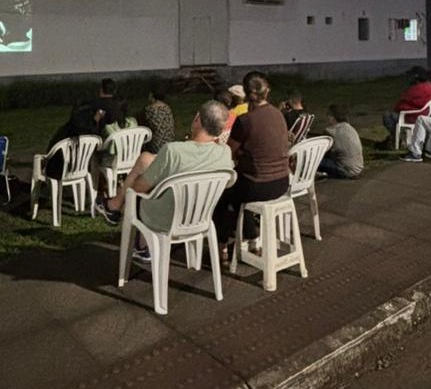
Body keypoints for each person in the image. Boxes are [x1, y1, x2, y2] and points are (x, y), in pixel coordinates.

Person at [99, 100, 234, 261]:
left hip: (165, 219)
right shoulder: (225, 153)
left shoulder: (173, 151)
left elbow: (139, 188)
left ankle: (143, 244)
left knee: (136, 193)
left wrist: (135, 184)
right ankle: (115, 207)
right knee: (145, 161)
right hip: (200, 217)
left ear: (197, 119)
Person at [215, 71, 290, 264]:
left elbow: (228, 151)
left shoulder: (245, 120)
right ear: (268, 91)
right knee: (241, 192)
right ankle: (252, 236)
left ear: (246, 95)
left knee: (222, 195)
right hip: (282, 182)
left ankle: (221, 245)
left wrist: (240, 154)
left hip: (258, 184)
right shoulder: (278, 114)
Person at [381, 66, 431, 146]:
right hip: (425, 114)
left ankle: (397, 138)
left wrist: (401, 109)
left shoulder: (416, 89)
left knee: (387, 116)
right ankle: (396, 138)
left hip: (415, 117)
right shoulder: (429, 86)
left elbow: (399, 106)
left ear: (416, 78)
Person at [318, 105, 363, 179]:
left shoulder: (330, 131)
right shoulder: (350, 128)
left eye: (328, 115)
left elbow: (322, 151)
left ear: (332, 117)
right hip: (358, 167)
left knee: (313, 161)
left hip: (345, 170)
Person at [139, 86, 176, 154]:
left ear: (153, 96)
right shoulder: (167, 108)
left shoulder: (150, 109)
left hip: (157, 144)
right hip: (169, 140)